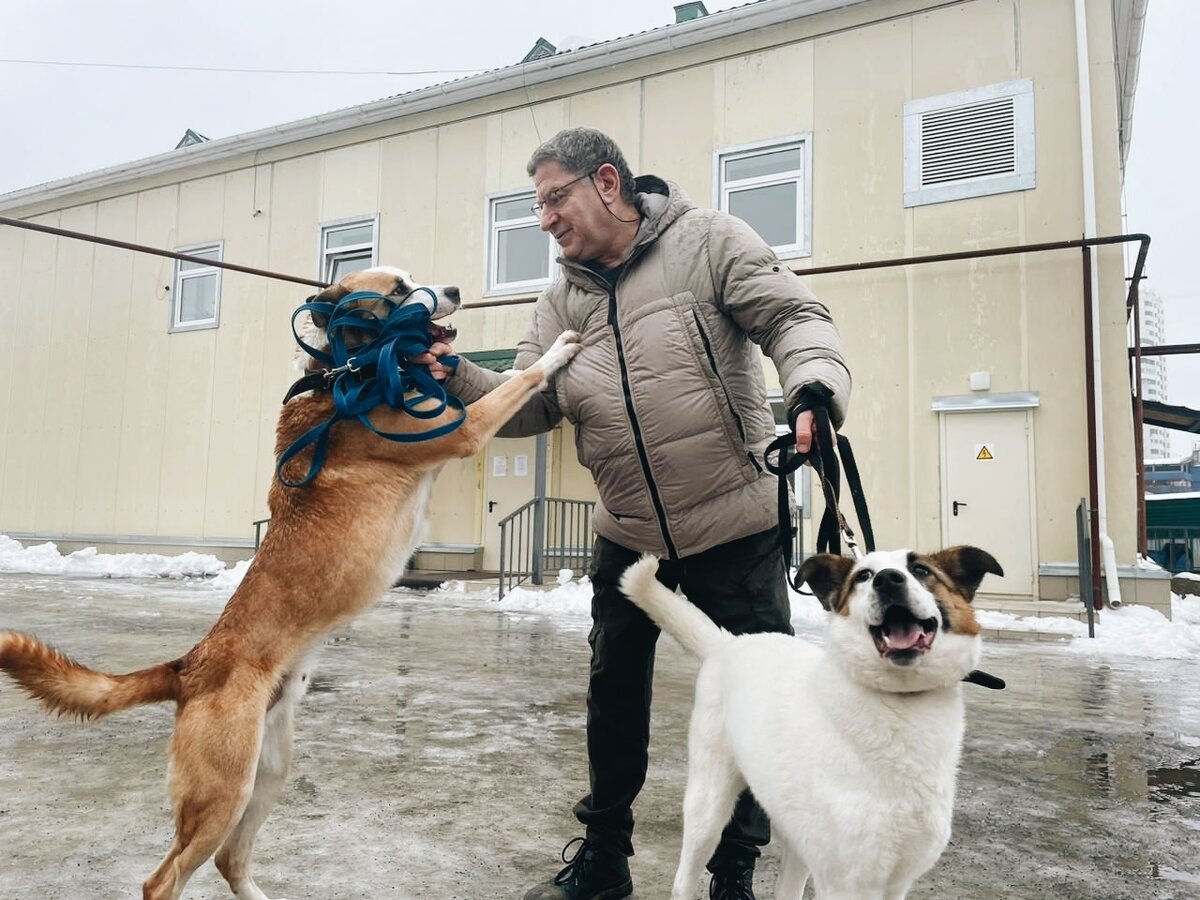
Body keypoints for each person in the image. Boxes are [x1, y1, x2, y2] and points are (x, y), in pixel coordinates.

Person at [435, 127, 850, 900]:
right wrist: (456, 374)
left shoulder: (708, 242)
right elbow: (530, 400)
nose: (545, 218)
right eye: (537, 205)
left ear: (605, 183)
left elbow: (794, 317)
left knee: (755, 707)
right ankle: (605, 858)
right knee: (614, 696)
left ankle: (734, 870)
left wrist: (815, 391)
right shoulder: (561, 297)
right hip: (628, 536)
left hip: (736, 525)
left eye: (554, 197)